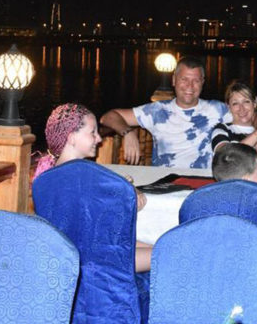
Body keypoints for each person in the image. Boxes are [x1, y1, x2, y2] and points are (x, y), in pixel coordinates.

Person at [33, 103, 152, 272]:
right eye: (92, 133)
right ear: (71, 137)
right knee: (171, 254)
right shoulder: (88, 177)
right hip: (96, 263)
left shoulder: (44, 178)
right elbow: (121, 216)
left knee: (159, 246)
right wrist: (132, 194)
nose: (99, 138)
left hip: (65, 259)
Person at [100, 56, 228, 168]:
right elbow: (107, 117)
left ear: (202, 83)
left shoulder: (217, 109)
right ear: (173, 80)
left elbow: (246, 117)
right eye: (184, 79)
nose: (190, 86)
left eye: (196, 80)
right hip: (165, 183)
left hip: (204, 183)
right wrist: (128, 133)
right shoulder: (157, 111)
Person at [211, 80, 257, 157]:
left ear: (255, 102)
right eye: (235, 103)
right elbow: (226, 156)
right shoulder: (221, 130)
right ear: (228, 106)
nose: (241, 109)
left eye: (246, 101)